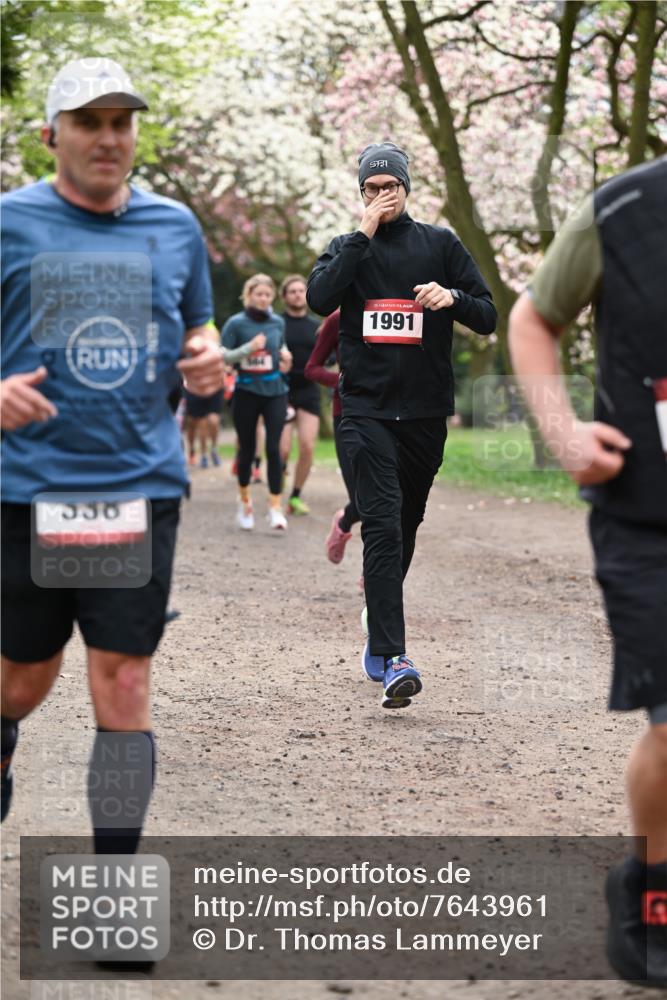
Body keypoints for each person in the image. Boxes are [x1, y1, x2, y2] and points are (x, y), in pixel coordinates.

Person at [0, 52, 224, 905]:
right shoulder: (10, 222)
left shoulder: (174, 227)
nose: (106, 138)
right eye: (88, 122)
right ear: (51, 134)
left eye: (119, 122)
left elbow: (197, 338)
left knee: (123, 676)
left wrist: (207, 368)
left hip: (136, 484)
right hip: (27, 487)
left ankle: (115, 887)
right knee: (23, 675)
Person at [508, 155, 667, 988]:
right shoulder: (621, 208)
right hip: (648, 515)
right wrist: (563, 435)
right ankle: (653, 895)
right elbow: (534, 320)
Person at [307, 142, 496, 708]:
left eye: (390, 187)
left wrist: (452, 296)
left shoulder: (439, 244)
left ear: (407, 188)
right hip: (363, 411)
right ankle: (394, 656)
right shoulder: (347, 249)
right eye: (371, 188)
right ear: (360, 193)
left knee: (406, 523)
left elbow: (486, 315)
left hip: (423, 414)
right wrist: (361, 234)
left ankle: (377, 618)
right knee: (383, 522)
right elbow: (319, 299)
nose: (382, 196)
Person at [222, 274, 292, 531]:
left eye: (267, 294)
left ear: (272, 297)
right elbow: (224, 357)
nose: (263, 299)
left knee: (274, 449)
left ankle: (275, 508)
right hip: (246, 391)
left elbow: (280, 351)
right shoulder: (236, 323)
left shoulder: (277, 323)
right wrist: (247, 349)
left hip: (275, 391)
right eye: (258, 294)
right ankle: (245, 502)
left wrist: (286, 358)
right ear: (248, 295)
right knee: (247, 450)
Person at [304, 309, 361, 564]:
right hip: (347, 413)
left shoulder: (401, 310)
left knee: (388, 501)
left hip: (391, 415)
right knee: (364, 501)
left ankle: (376, 574)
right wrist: (343, 381)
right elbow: (312, 368)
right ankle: (345, 521)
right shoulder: (338, 319)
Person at [278, 274, 321, 515]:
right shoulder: (276, 324)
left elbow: (329, 353)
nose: (297, 294)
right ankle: (278, 481)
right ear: (284, 296)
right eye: (292, 291)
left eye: (300, 290)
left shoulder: (316, 326)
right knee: (283, 450)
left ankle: (295, 496)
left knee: (307, 446)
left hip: (308, 390)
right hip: (282, 390)